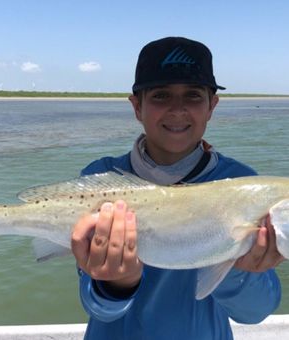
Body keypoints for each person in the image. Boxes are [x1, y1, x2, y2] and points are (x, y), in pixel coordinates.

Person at [71, 36, 283, 339]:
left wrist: (239, 271)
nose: (177, 109)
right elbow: (98, 308)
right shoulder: (100, 179)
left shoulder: (241, 182)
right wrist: (116, 284)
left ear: (212, 106)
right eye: (160, 95)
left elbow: (255, 312)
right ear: (136, 107)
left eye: (193, 96)